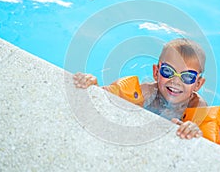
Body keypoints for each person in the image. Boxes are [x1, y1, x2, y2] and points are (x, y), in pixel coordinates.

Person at [73, 38, 207, 140]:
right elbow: (104, 98)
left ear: (198, 84)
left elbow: (207, 145)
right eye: (168, 71)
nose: (176, 81)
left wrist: (193, 130)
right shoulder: (147, 92)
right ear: (156, 72)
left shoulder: (198, 106)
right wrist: (93, 87)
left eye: (188, 77)